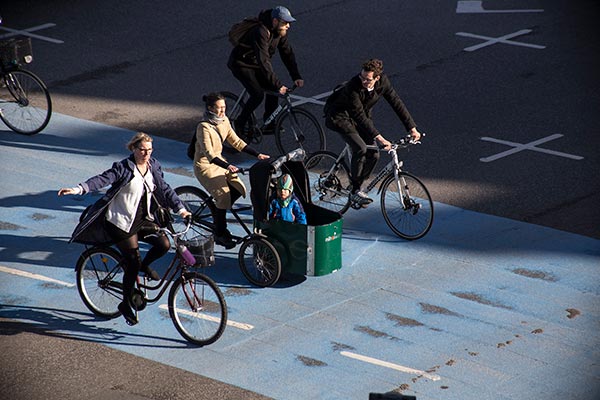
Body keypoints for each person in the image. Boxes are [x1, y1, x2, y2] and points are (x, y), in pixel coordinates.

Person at [58, 132, 192, 326]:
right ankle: (125, 303)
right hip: (120, 222)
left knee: (163, 244)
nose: (146, 154)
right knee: (132, 262)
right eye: (142, 150)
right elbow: (101, 180)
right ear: (133, 149)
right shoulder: (123, 168)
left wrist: (181, 209)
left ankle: (143, 266)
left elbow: (164, 189)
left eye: (149, 150)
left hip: (143, 219)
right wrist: (78, 189)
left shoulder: (153, 165)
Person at [324, 58, 423, 206]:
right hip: (340, 117)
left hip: (360, 118)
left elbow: (396, 103)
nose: (363, 81)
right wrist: (381, 138)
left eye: (367, 79)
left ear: (377, 78)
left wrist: (412, 128)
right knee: (360, 148)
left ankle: (356, 183)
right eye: (362, 77)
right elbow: (359, 116)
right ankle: (355, 191)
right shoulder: (353, 86)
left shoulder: (383, 83)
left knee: (374, 154)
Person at [193, 92, 270, 249]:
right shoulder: (203, 127)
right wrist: (227, 166)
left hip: (221, 163)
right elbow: (210, 154)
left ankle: (218, 212)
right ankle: (220, 233)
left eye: (224, 107)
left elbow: (236, 141)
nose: (223, 111)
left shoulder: (224, 121)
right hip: (206, 166)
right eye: (219, 108)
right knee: (224, 197)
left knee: (239, 189)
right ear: (210, 109)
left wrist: (257, 154)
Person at [227, 5, 304, 135]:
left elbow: (287, 53)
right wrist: (278, 84)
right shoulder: (260, 32)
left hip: (257, 64)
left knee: (273, 89)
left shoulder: (279, 32)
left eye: (289, 23)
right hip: (241, 65)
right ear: (275, 21)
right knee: (257, 94)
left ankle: (269, 123)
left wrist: (296, 76)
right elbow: (263, 60)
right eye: (285, 23)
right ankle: (239, 122)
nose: (288, 26)